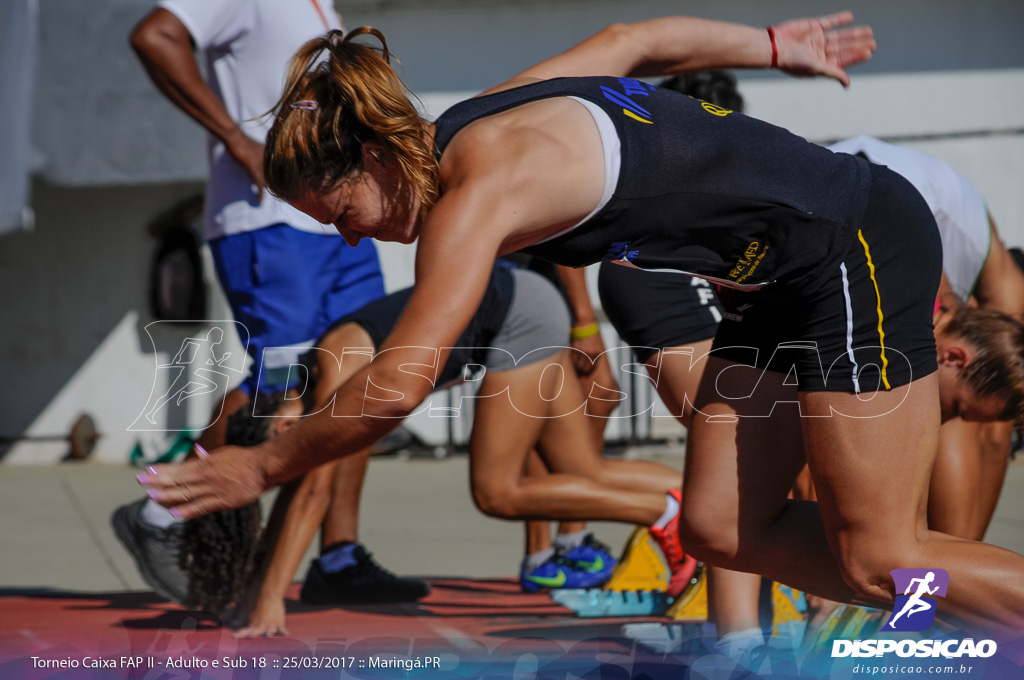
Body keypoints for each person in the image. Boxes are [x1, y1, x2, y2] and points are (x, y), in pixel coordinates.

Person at [139, 13, 1024, 630]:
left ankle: (959, 612)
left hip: (850, 239)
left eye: (339, 211)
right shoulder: (476, 117)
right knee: (722, 527)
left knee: (879, 554)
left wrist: (263, 463)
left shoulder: (474, 195)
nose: (348, 233)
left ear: (375, 156)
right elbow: (628, 41)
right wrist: (768, 44)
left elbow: (401, 380)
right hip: (772, 282)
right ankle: (957, 612)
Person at [114, 0, 396, 603]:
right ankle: (163, 508)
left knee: (362, 382)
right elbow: (155, 35)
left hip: (339, 219)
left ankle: (339, 557)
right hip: (267, 219)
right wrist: (239, 141)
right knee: (280, 387)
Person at [234, 267, 688, 635]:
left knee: (500, 491)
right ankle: (707, 508)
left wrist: (272, 598)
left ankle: (661, 514)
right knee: (583, 469)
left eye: (281, 445)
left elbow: (314, 490)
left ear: (284, 422)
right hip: (529, 298)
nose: (289, 454)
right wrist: (256, 582)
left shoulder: (334, 366)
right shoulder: (313, 381)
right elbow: (302, 491)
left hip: (517, 318)